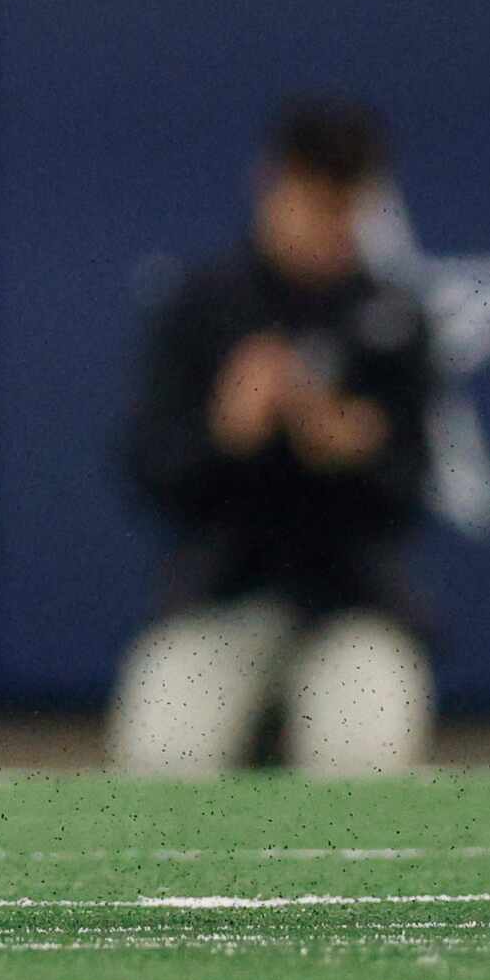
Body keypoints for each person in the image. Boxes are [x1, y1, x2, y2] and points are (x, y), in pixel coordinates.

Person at [109, 99, 436, 777]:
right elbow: (148, 471)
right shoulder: (201, 308)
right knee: (163, 756)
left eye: (343, 207)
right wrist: (223, 434)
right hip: (219, 596)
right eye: (313, 203)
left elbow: (411, 491)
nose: (328, 228)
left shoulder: (394, 319)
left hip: (352, 603)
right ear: (272, 184)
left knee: (366, 761)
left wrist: (356, 453)